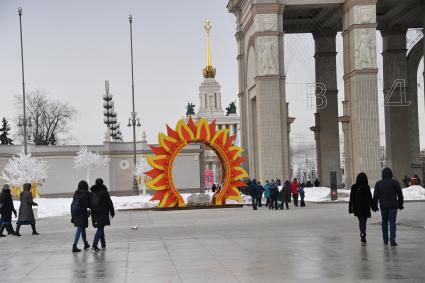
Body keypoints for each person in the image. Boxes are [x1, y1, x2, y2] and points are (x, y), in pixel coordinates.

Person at [372, 167, 404, 246]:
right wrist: (400, 204)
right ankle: (392, 240)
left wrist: (374, 206)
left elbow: (375, 196)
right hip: (393, 206)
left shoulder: (378, 183)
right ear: (391, 174)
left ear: (382, 174)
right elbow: (400, 195)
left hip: (383, 206)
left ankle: (385, 239)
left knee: (384, 223)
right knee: (392, 223)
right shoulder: (395, 182)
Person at [349, 173, 374, 246]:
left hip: (357, 207)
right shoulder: (367, 187)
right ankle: (363, 234)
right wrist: (373, 206)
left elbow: (351, 199)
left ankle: (362, 233)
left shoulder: (354, 187)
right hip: (365, 207)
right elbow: (370, 198)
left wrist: (350, 208)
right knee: (364, 221)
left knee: (361, 221)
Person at [90, 178, 115, 251]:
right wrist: (112, 212)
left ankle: (103, 244)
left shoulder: (92, 192)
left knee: (100, 227)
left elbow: (89, 203)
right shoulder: (104, 192)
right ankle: (94, 245)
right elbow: (109, 202)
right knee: (100, 228)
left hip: (94, 212)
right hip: (103, 212)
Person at [71, 180, 91, 252]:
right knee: (80, 228)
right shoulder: (86, 193)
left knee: (82, 228)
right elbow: (87, 204)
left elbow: (73, 204)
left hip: (75, 212)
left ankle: (85, 243)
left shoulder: (76, 193)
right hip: (82, 213)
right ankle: (74, 245)